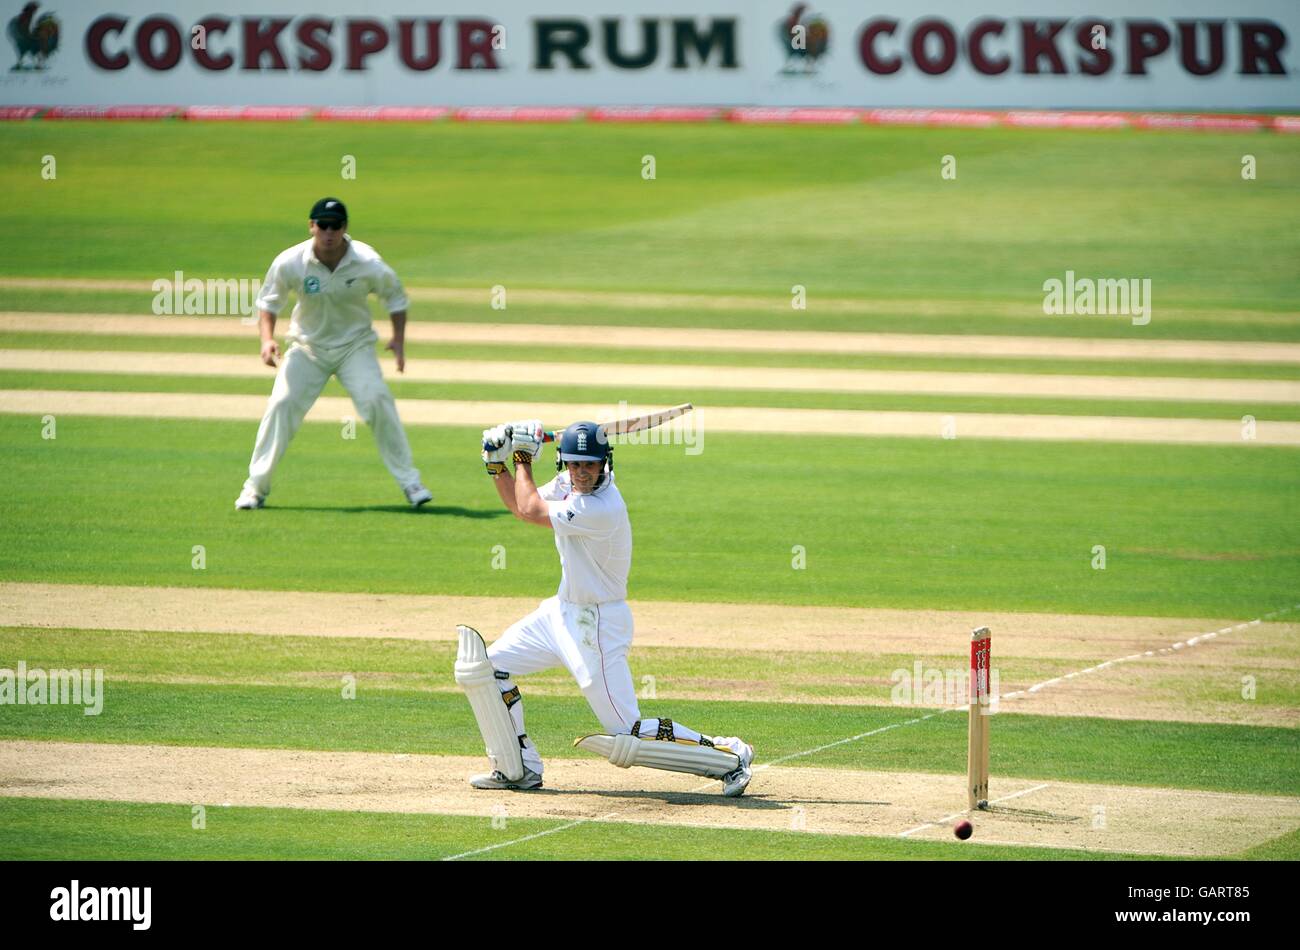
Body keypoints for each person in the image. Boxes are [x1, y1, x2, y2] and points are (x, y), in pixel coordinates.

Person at [454, 418, 754, 796]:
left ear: (604, 463)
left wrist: (520, 456)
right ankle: (517, 769)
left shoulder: (602, 506)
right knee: (486, 670)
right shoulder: (569, 483)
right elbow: (519, 506)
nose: (581, 473)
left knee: (626, 731)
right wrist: (496, 464)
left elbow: (531, 510)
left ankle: (731, 755)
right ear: (565, 463)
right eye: (575, 464)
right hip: (559, 613)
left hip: (596, 624)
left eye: (589, 465)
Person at [234, 197, 432, 510]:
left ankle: (411, 483)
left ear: (344, 228)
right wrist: (266, 339)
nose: (329, 232)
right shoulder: (290, 261)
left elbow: (395, 298)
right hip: (307, 347)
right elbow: (269, 303)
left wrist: (398, 340)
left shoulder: (367, 261)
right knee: (282, 404)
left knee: (377, 400)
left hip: (355, 346)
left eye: (335, 226)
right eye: (322, 225)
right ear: (311, 226)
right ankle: (254, 489)